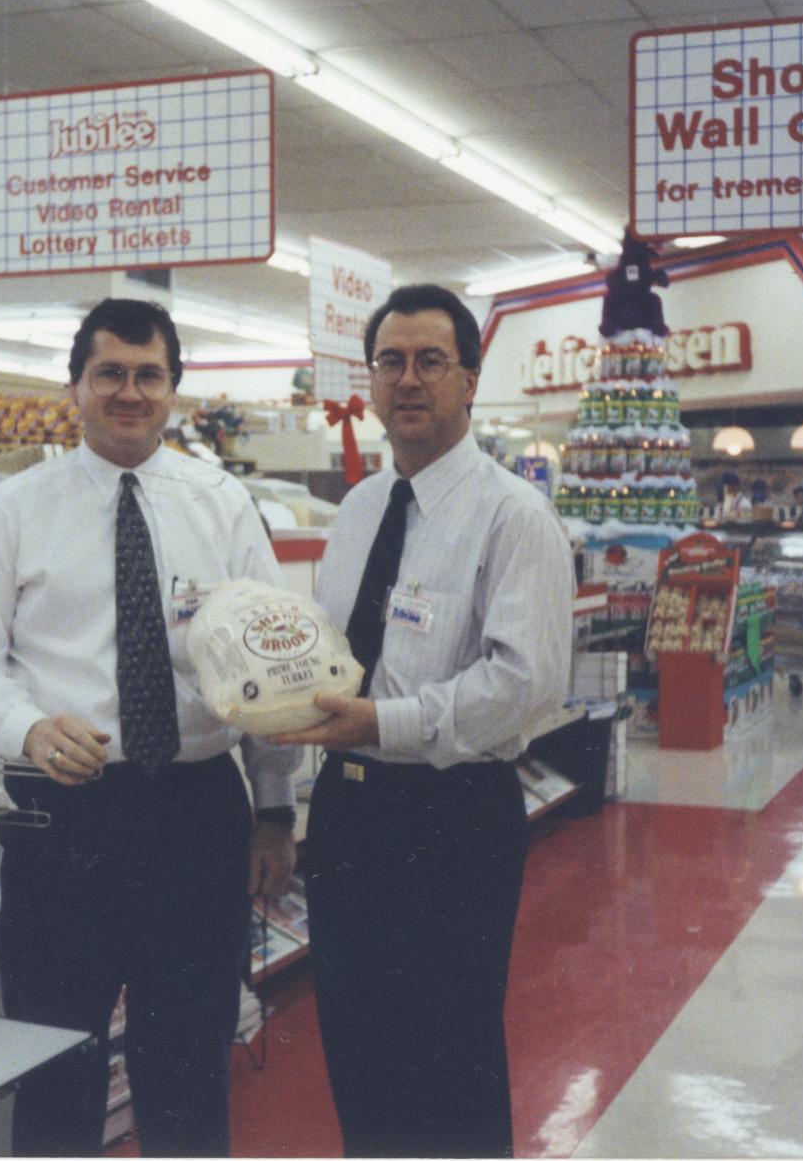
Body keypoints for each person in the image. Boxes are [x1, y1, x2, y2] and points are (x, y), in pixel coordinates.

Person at [0, 298, 300, 1157]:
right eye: (110, 374)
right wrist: (24, 728)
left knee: (191, 1057)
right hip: (63, 811)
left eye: (148, 375)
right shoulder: (17, 509)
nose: (129, 393)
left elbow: (266, 663)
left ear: (175, 390)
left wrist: (275, 806)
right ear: (76, 385)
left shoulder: (223, 504)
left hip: (196, 809)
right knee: (57, 1056)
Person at [273, 284, 575, 1158]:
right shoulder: (361, 507)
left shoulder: (515, 517)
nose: (409, 380)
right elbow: (332, 652)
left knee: (449, 1062)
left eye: (430, 361)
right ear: (370, 379)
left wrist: (384, 723)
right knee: (359, 1055)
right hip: (349, 814)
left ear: (470, 379)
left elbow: (525, 685)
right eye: (391, 361)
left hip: (453, 818)